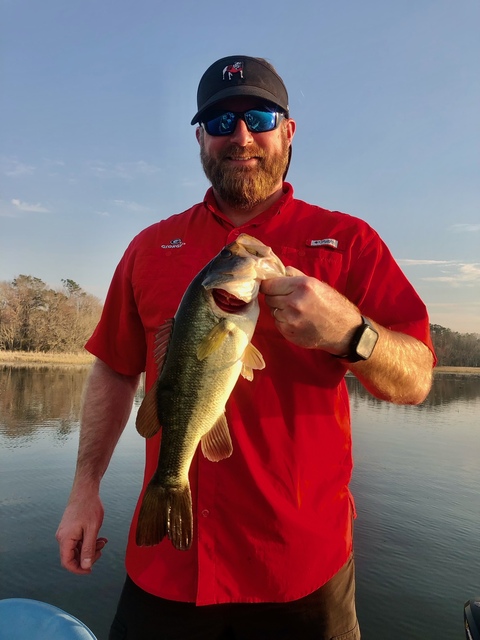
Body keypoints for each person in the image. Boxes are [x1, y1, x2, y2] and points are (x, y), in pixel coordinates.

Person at [56, 55, 435, 639]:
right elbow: (114, 369)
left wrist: (352, 333)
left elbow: (417, 381)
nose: (240, 137)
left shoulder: (352, 241)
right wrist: (85, 491)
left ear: (287, 129)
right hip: (168, 565)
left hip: (299, 570)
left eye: (258, 116)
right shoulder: (149, 247)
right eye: (219, 122)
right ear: (200, 138)